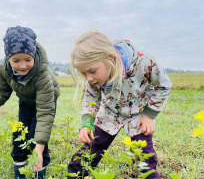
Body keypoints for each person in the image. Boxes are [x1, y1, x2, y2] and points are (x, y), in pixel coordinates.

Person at [67, 31, 172, 179]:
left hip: (139, 114)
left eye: (92, 71)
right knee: (92, 147)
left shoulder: (144, 63)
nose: (89, 78)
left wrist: (150, 115)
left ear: (110, 58)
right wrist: (87, 122)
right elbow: (91, 98)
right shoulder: (93, 79)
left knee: (144, 156)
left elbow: (164, 85)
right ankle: (74, 175)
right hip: (109, 113)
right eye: (83, 74)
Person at [0, 26, 60, 179]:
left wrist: (39, 149)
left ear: (34, 55)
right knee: (20, 135)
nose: (22, 66)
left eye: (28, 59)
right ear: (8, 58)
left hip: (46, 101)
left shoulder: (43, 76)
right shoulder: (4, 70)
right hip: (26, 100)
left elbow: (45, 113)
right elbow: (0, 93)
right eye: (16, 60)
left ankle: (39, 170)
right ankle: (20, 173)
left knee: (37, 139)